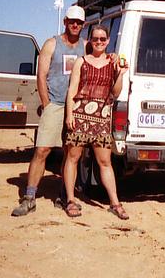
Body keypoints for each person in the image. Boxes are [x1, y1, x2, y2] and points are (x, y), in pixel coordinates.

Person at [11, 5, 87, 217]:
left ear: (84, 25)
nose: (75, 25)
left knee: (70, 153)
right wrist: (47, 104)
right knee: (42, 150)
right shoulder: (52, 44)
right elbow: (41, 76)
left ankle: (64, 195)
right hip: (55, 104)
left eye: (79, 22)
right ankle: (30, 197)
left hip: (76, 108)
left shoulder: (86, 47)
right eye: (72, 20)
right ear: (65, 21)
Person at [62, 25, 129, 219]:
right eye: (95, 39)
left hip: (102, 116)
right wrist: (69, 115)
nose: (99, 42)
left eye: (102, 39)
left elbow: (115, 92)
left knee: (105, 161)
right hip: (80, 114)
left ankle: (115, 203)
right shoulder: (81, 62)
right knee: (73, 158)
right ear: (90, 41)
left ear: (108, 41)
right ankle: (70, 200)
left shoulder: (113, 62)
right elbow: (72, 89)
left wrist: (120, 74)